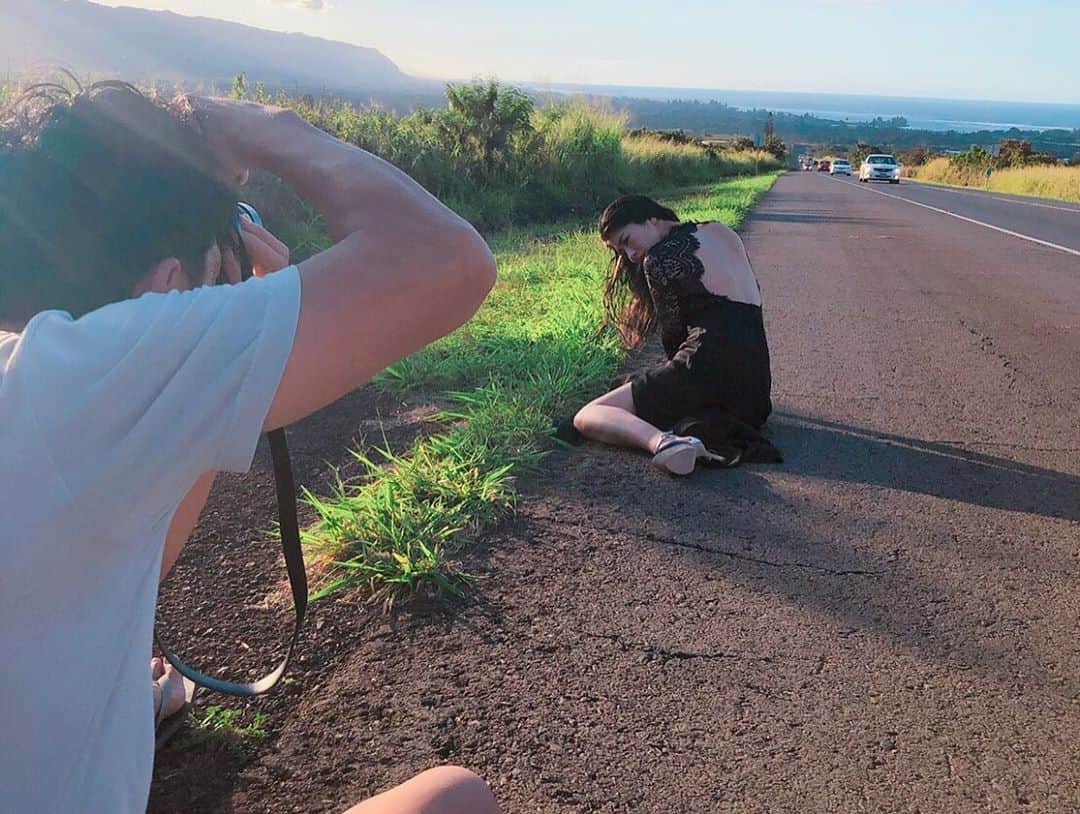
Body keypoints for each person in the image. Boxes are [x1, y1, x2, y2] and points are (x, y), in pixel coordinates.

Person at [0, 82, 500, 814]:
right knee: (457, 798)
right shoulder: (75, 377)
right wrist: (263, 127)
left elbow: (128, 542)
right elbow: (448, 259)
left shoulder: (33, 377)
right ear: (167, 288)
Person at [572, 194, 775, 475]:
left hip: (706, 363)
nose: (629, 255)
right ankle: (691, 433)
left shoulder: (659, 259)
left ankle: (665, 443)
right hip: (756, 392)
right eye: (620, 251)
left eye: (627, 240)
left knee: (588, 416)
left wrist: (665, 383)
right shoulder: (722, 231)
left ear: (651, 219)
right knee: (641, 390)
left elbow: (674, 338)